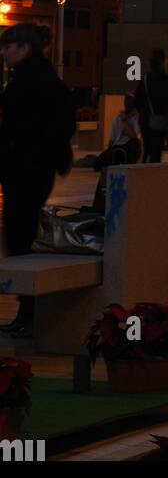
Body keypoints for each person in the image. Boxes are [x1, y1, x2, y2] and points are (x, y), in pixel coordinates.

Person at [0, 22, 75, 338]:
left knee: (20, 236)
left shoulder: (32, 82)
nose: (3, 52)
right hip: (31, 166)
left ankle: (29, 311)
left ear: (24, 48)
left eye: (8, 46)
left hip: (25, 167)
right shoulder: (38, 79)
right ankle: (28, 311)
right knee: (21, 233)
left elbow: (32, 125)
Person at [134, 48, 168, 163]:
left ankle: (144, 171)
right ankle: (152, 174)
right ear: (163, 61)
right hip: (159, 119)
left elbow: (137, 100)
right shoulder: (167, 80)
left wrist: (143, 111)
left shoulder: (145, 79)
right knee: (156, 151)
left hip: (145, 118)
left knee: (147, 149)